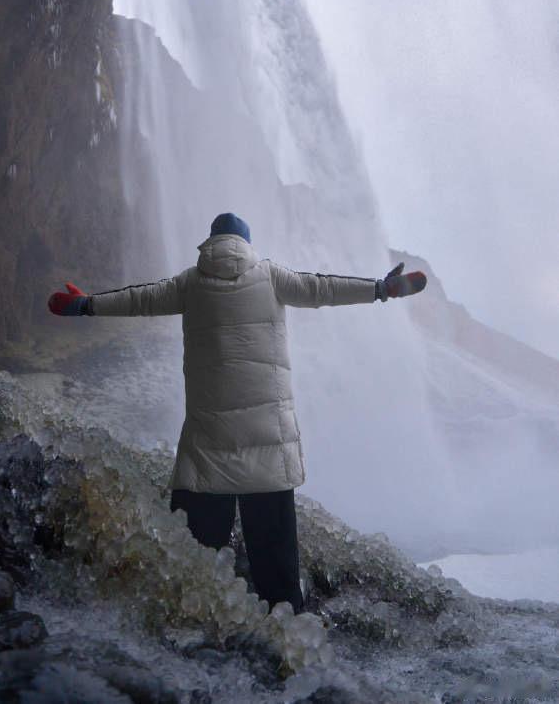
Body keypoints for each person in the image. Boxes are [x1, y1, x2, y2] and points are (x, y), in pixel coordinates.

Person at [48, 212, 426, 614]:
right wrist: (381, 289)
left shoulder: (189, 283)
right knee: (276, 562)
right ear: (247, 243)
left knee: (194, 557)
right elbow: (323, 289)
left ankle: (194, 623)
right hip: (268, 439)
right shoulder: (272, 276)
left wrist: (85, 305)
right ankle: (286, 635)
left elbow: (138, 299)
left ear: (209, 243)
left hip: (209, 441)